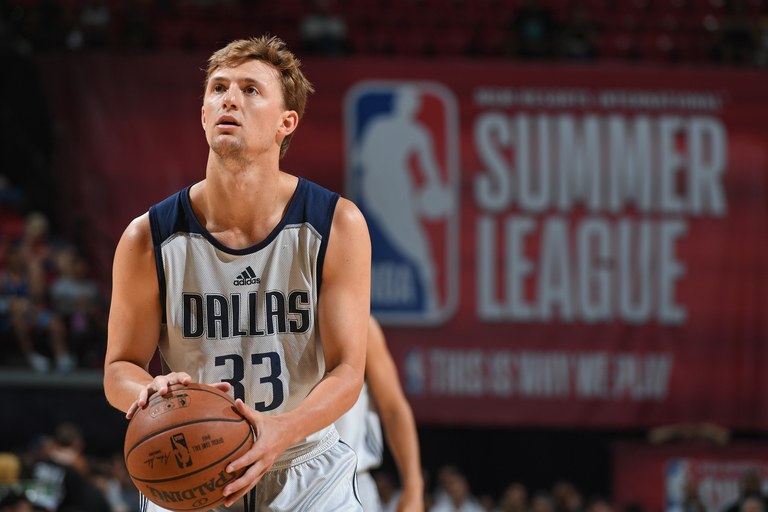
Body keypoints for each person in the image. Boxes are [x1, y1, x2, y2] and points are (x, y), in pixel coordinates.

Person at [103, 34, 371, 511]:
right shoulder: (147, 238)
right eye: (218, 88)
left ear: (285, 124)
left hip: (303, 464)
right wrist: (149, 390)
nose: (229, 97)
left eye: (250, 90)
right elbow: (118, 370)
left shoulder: (337, 224)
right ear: (204, 115)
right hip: (190, 462)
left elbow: (349, 372)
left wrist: (281, 430)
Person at [335, 316, 424, 511]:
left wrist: (413, 488)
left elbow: (393, 409)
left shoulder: (361, 324)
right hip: (284, 480)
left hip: (350, 483)